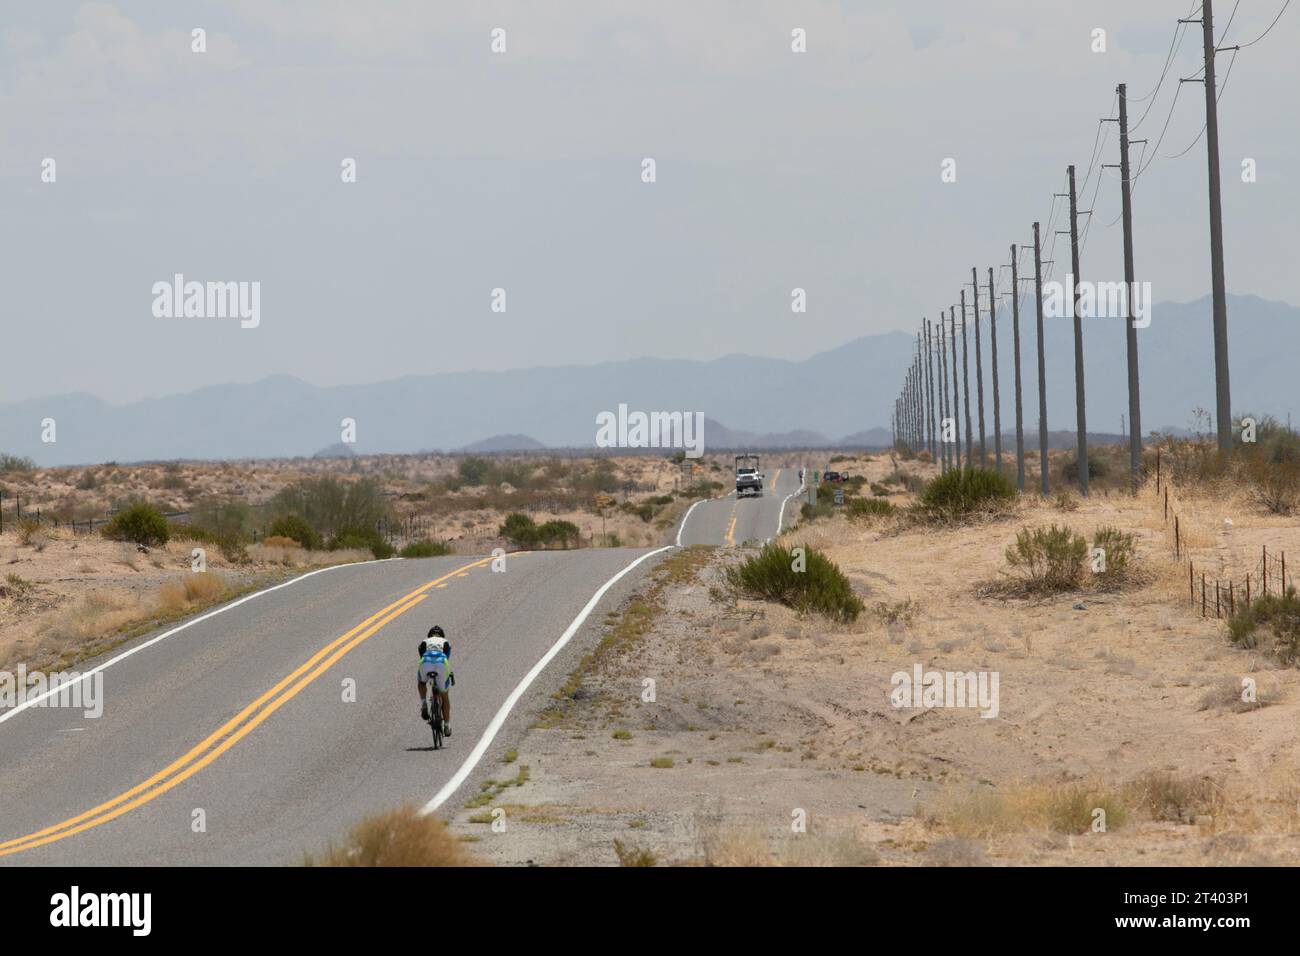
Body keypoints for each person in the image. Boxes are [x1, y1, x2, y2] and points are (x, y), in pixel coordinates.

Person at [417, 625, 454, 737]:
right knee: (445, 696)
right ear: (442, 635)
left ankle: (424, 704)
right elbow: (446, 657)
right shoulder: (446, 642)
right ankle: (447, 726)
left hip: (426, 661)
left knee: (422, 682)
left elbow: (421, 655)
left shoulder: (424, 641)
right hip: (441, 662)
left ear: (430, 635)